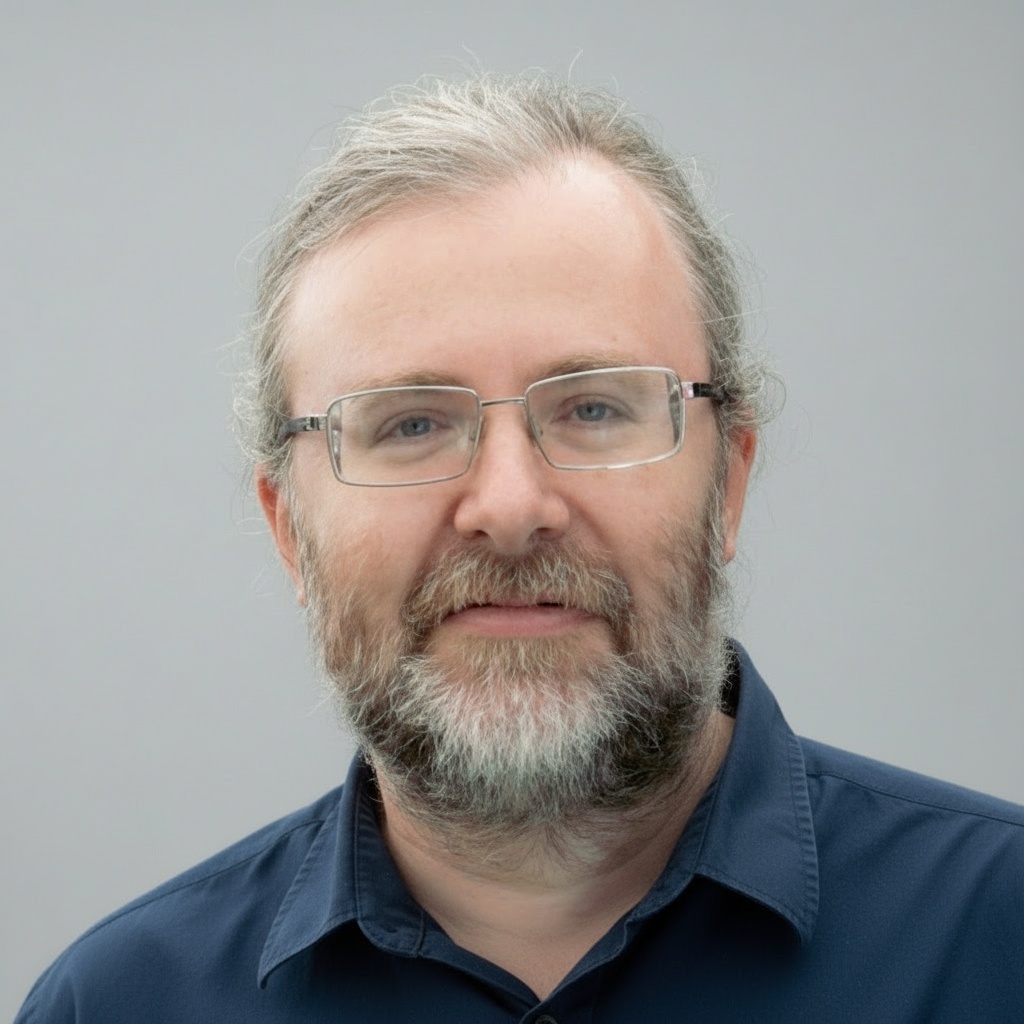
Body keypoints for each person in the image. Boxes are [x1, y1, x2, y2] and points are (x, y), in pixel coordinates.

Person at [16, 72, 1023, 1023]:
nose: (508, 504)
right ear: (289, 528)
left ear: (730, 481)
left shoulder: (998, 939)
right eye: (409, 423)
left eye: (591, 407)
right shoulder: (116, 1004)